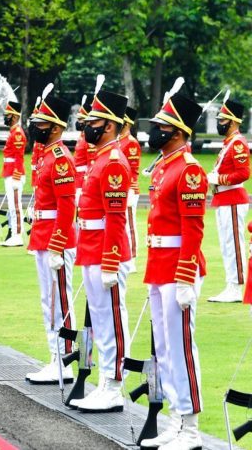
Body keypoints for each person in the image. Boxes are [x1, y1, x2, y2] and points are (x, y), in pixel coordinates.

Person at [139, 92, 206, 449]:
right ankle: (175, 421)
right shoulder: (165, 165)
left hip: (178, 266)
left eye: (162, 127)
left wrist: (184, 277)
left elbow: (193, 229)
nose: (156, 132)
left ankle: (191, 429)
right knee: (164, 349)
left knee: (181, 348)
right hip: (159, 265)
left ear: (178, 131)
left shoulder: (190, 170)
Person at [70, 89, 131, 413]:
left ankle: (115, 384)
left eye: (93, 122)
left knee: (112, 320)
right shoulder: (102, 158)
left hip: (105, 252)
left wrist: (110, 261)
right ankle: (106, 381)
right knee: (101, 321)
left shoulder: (114, 162)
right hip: (91, 247)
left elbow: (116, 217)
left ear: (108, 126)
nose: (87, 127)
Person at [25, 94, 77, 384]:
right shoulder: (46, 155)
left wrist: (57, 244)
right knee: (49, 301)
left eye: (41, 124)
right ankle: (55, 356)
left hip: (55, 239)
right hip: (44, 235)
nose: (36, 128)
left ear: (55, 127)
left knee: (59, 302)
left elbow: (67, 205)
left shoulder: (60, 160)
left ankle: (64, 360)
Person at [206, 97, 249, 303]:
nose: (219, 123)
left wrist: (218, 178)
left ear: (232, 121)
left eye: (222, 120)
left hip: (232, 197)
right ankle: (230, 284)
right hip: (223, 198)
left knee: (234, 244)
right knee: (226, 244)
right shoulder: (229, 143)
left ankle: (236, 286)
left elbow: (243, 173)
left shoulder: (238, 143)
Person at [118, 106, 141, 273]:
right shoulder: (120, 141)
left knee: (130, 225)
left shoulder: (131, 143)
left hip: (129, 188)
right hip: (121, 188)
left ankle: (132, 258)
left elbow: (132, 169)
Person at [0, 101, 27, 247]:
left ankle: (17, 236)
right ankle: (15, 234)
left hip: (14, 174)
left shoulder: (17, 134)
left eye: (8, 115)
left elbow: (19, 157)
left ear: (15, 117)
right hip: (9, 172)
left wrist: (16, 177)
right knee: (12, 205)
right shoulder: (13, 132)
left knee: (15, 205)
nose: (6, 118)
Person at [73, 94, 95, 204]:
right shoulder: (82, 135)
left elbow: (91, 162)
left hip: (83, 179)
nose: (79, 122)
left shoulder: (88, 138)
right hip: (77, 177)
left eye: (81, 119)